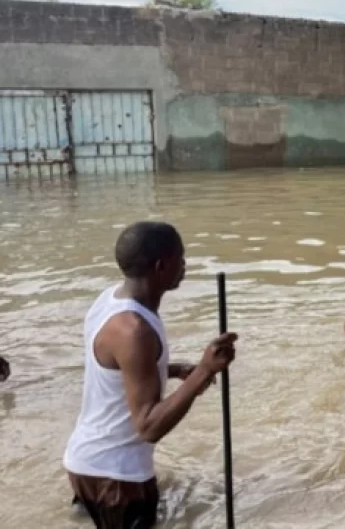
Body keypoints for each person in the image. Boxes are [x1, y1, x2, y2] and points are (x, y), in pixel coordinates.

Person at [63, 221, 237, 529]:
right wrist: (203, 373)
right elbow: (148, 427)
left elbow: (115, 370)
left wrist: (172, 370)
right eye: (180, 259)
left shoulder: (110, 299)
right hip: (117, 478)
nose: (185, 266)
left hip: (89, 462)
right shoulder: (134, 331)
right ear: (161, 266)